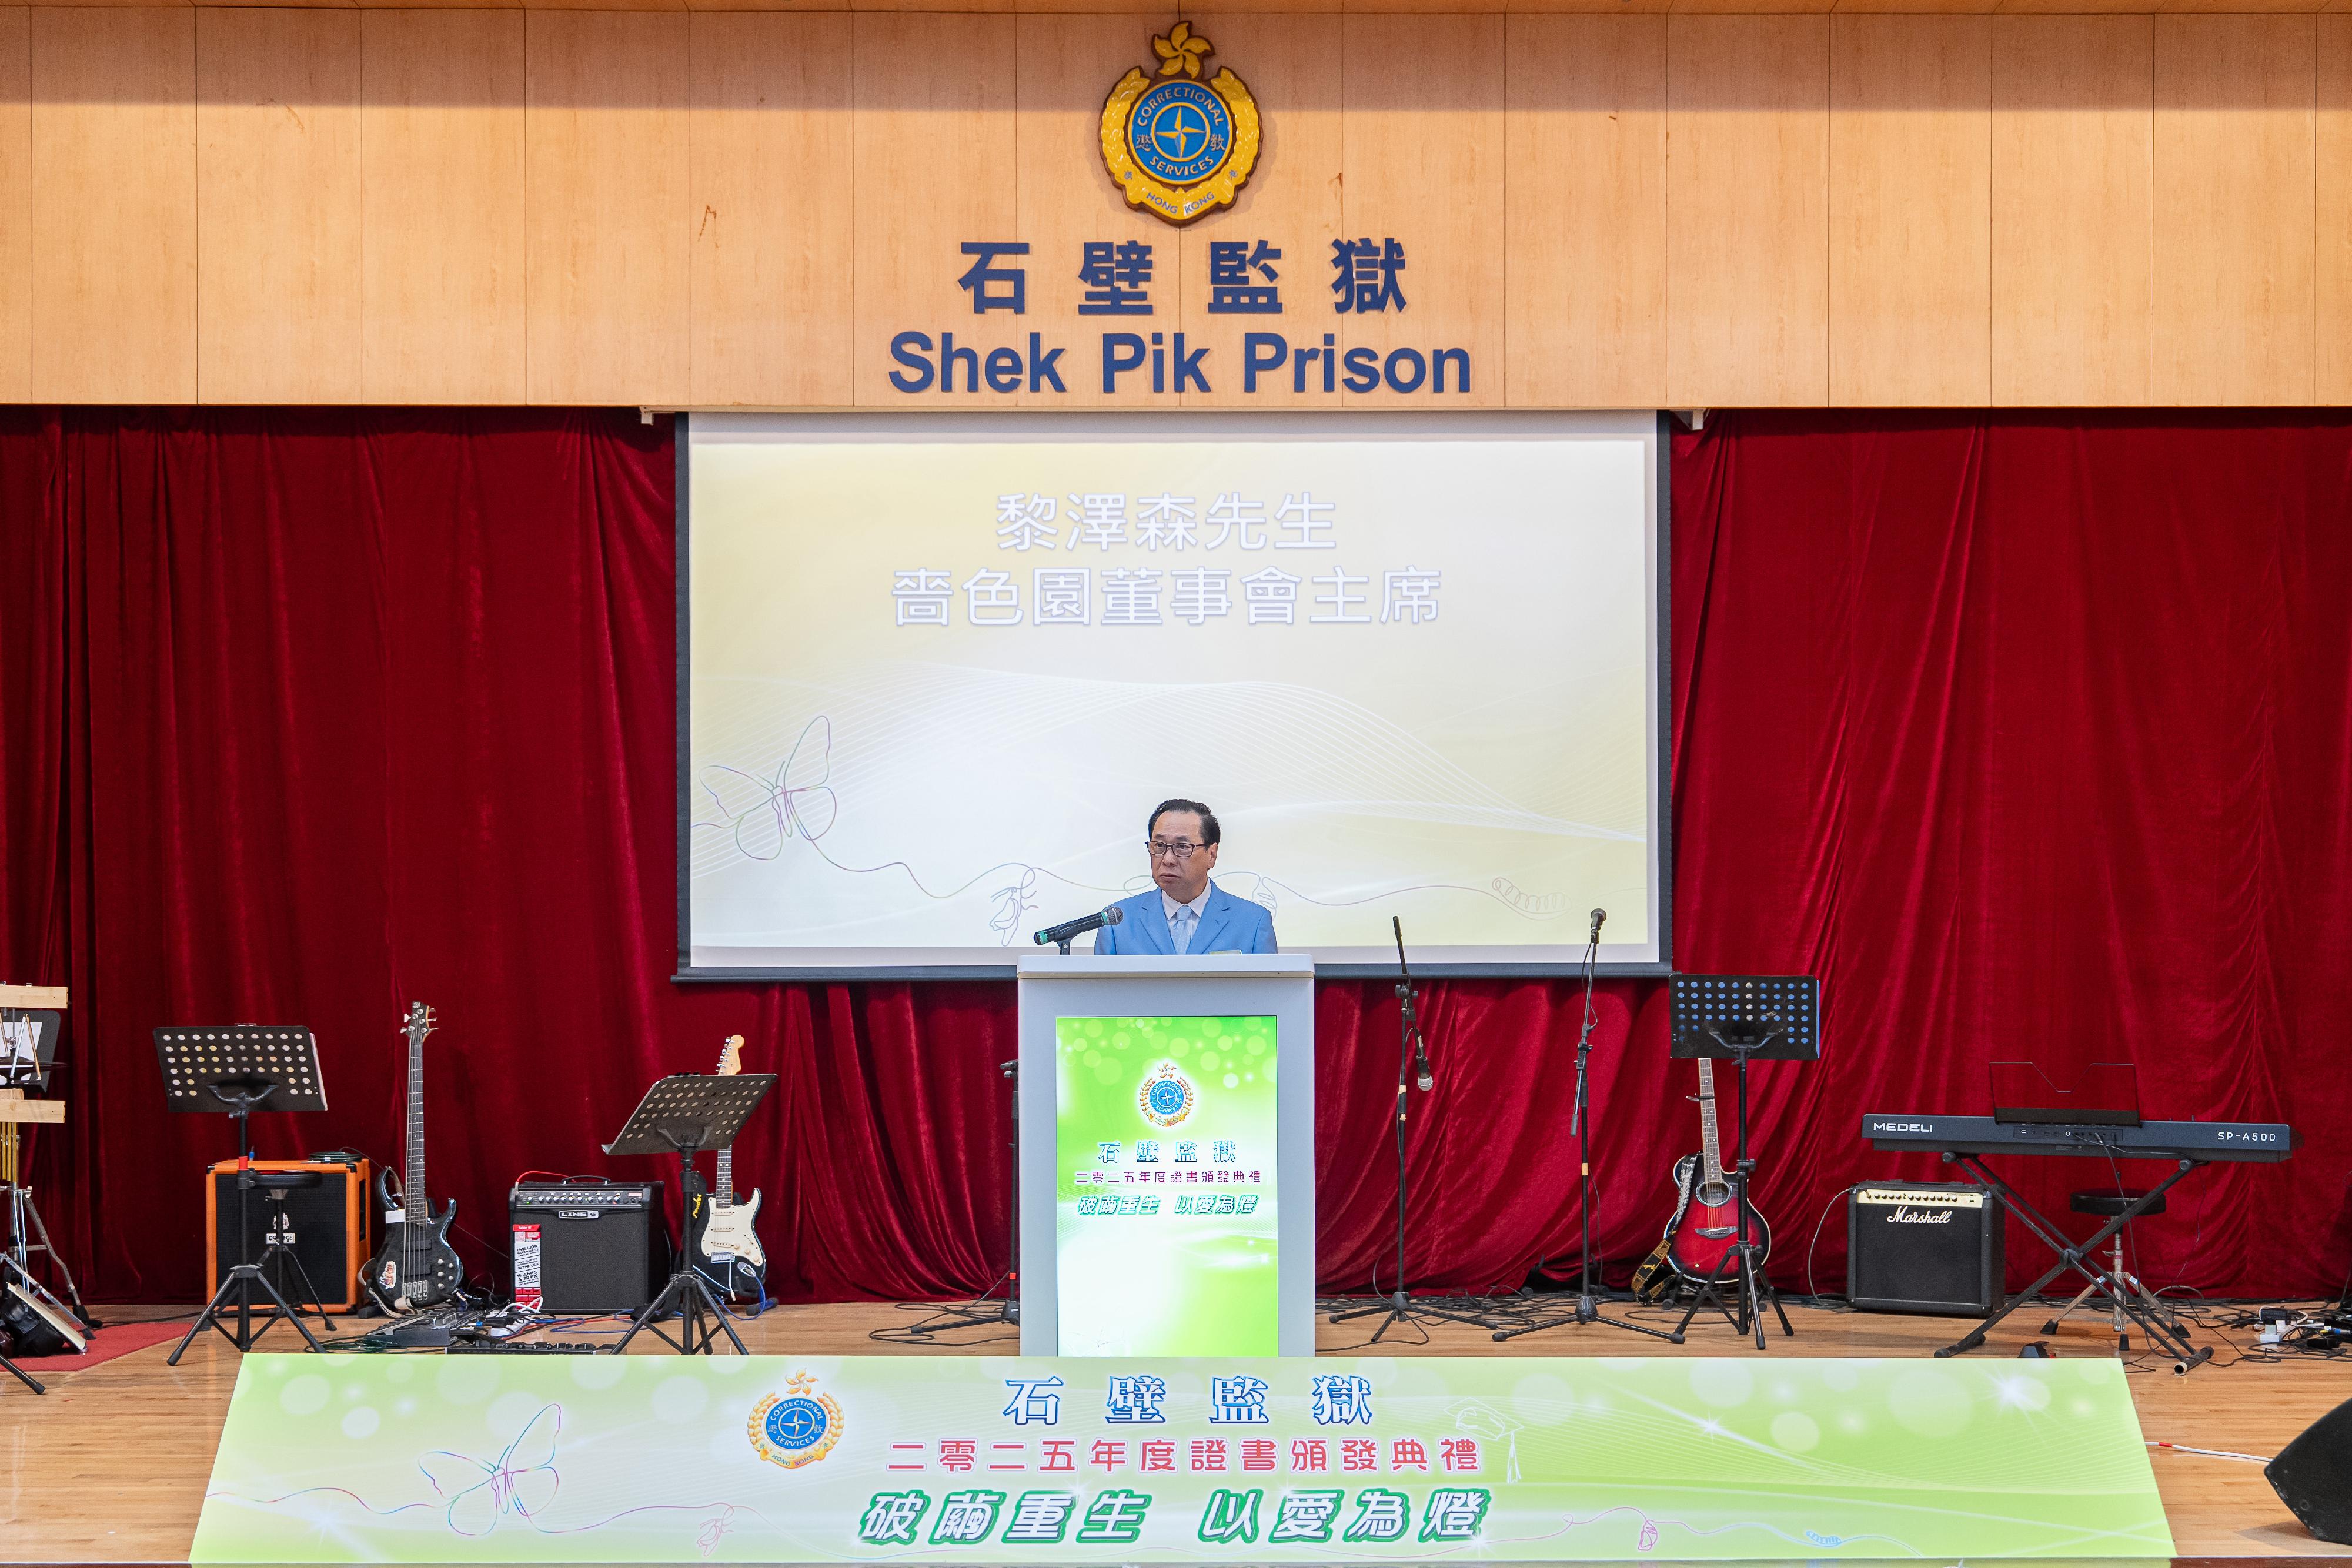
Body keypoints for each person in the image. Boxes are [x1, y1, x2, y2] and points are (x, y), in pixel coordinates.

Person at [1093, 799, 1277, 955]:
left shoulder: (1253, 922)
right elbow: (1101, 996)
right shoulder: (1117, 923)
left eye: (1182, 847)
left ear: (1211, 855)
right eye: (1159, 846)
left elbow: (1268, 995)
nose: (1168, 860)